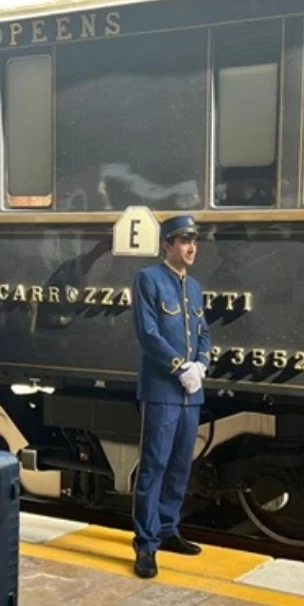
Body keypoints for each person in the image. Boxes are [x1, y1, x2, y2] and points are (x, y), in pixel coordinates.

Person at [129, 214, 211, 579]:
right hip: (162, 390)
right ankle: (145, 545)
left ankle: (168, 529)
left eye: (194, 241)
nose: (191, 248)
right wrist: (180, 367)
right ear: (166, 245)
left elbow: (204, 332)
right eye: (183, 241)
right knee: (154, 467)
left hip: (190, 393)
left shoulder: (193, 287)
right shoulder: (148, 279)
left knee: (180, 466)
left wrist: (202, 366)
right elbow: (147, 334)